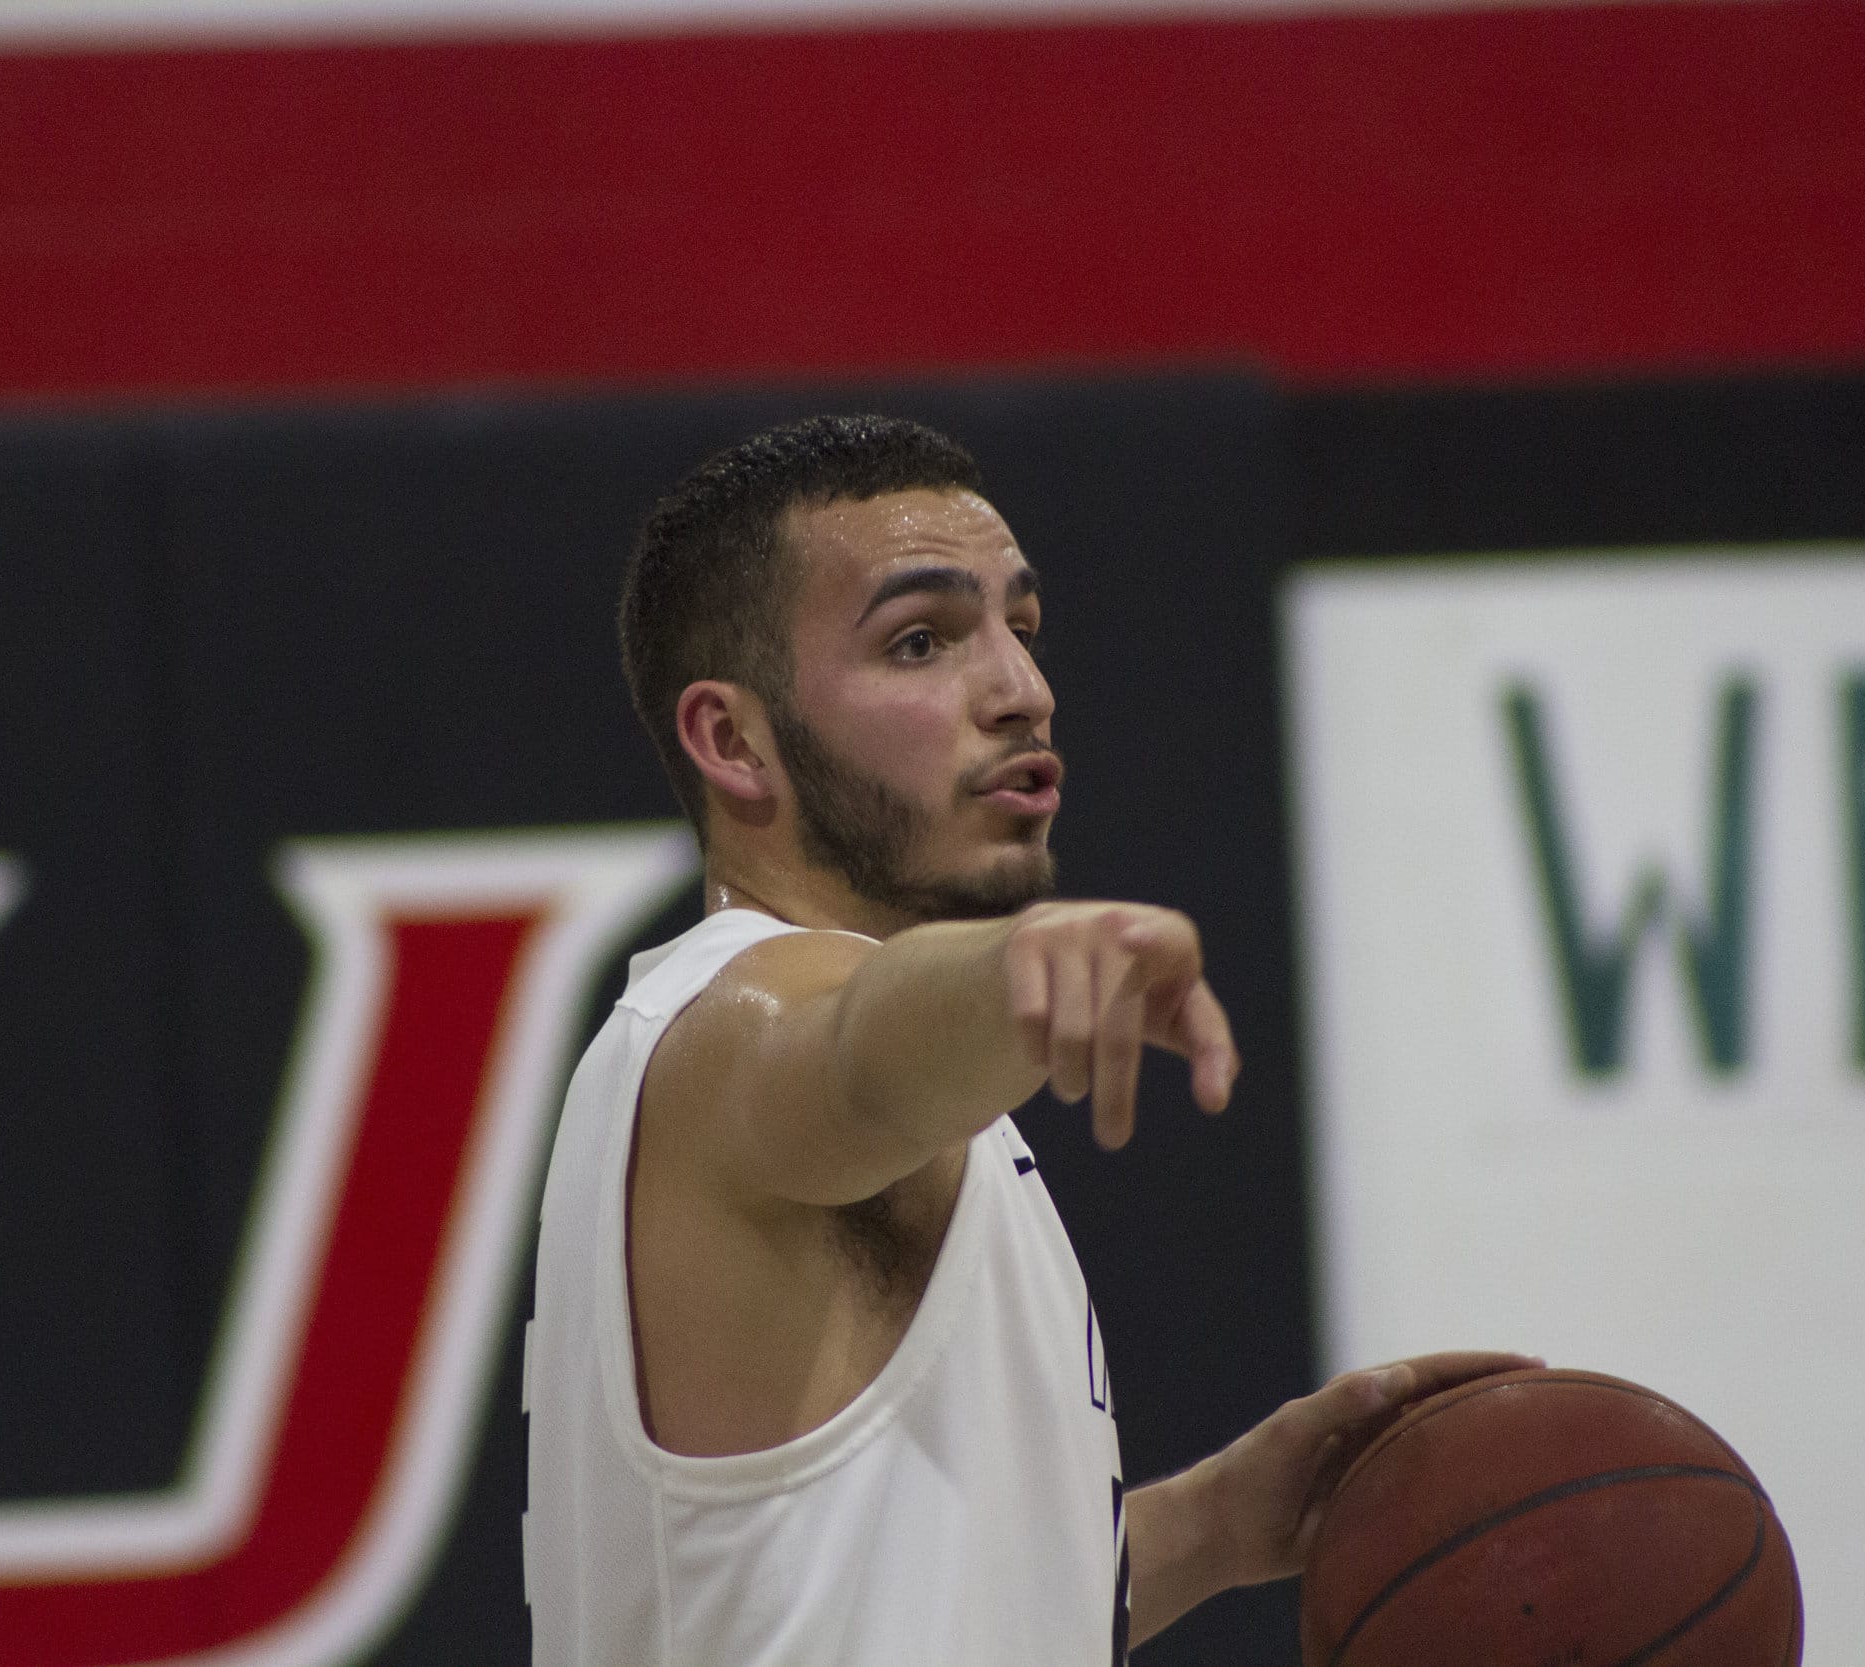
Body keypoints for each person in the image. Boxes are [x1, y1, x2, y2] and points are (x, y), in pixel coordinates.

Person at [522, 414, 1531, 1664]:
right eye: (922, 640)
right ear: (734, 740)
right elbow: (850, 1046)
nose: (1020, 688)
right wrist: (1012, 968)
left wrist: (1217, 1523)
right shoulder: (730, 1030)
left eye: (1021, 627)